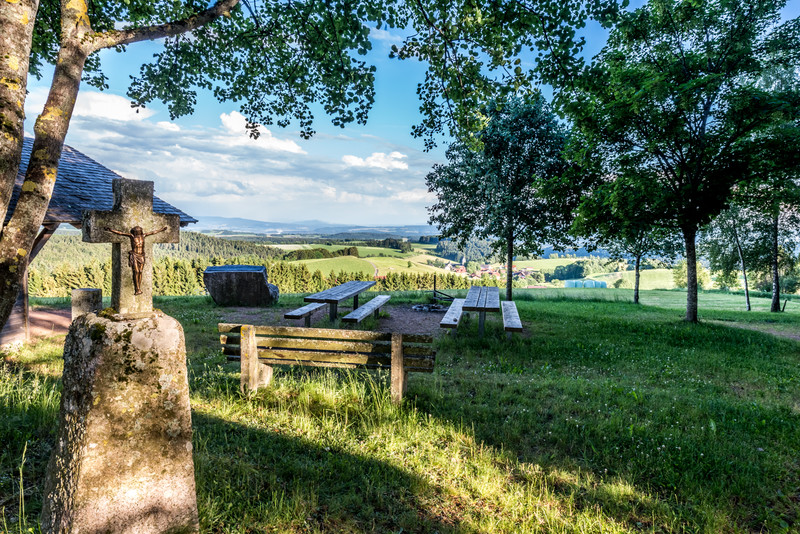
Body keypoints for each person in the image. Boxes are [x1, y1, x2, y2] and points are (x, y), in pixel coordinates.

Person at [105, 225, 167, 295]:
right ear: (135, 231)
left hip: (142, 255)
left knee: (140, 271)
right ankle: (137, 288)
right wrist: (111, 230)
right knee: (136, 271)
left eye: (139, 230)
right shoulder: (132, 236)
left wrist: (161, 229)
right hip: (135, 255)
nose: (138, 231)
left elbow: (153, 232)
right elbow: (121, 233)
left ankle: (139, 288)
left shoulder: (143, 236)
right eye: (137, 230)